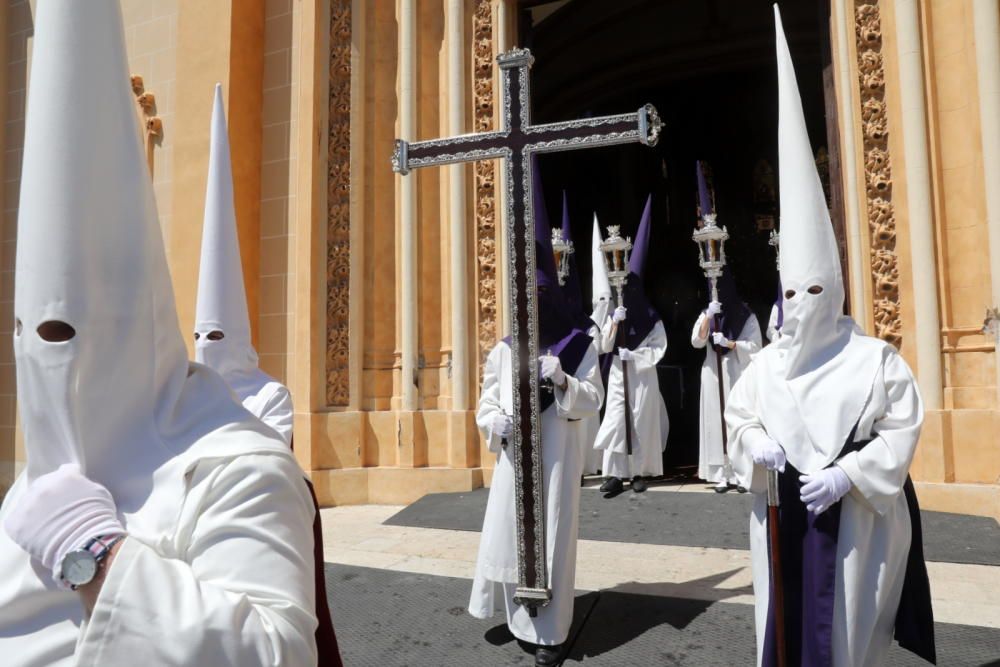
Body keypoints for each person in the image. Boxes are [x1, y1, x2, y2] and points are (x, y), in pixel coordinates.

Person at [0, 2, 320, 664]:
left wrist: (98, 556)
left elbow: (280, 651)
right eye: (28, 330)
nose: (46, 352)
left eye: (65, 330)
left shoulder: (237, 468)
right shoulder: (34, 485)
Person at [724, 8, 935, 666]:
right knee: (784, 633)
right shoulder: (765, 363)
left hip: (857, 530)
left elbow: (901, 429)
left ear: (837, 290)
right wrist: (751, 441)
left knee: (847, 634)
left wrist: (849, 473)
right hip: (781, 524)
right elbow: (739, 415)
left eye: (814, 291)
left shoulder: (876, 361)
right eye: (792, 293)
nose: (801, 305)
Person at [195, 84, 342, 664]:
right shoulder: (185, 386)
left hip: (261, 520)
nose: (208, 348)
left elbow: (267, 454)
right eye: (202, 337)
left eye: (217, 337)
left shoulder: (269, 393)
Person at [468, 164, 604, 667]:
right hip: (513, 460)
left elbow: (594, 398)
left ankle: (548, 631)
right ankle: (514, 617)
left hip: (556, 459)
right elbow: (485, 399)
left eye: (543, 294)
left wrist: (564, 380)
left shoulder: (578, 345)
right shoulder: (505, 350)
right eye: (529, 294)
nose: (535, 303)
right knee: (508, 530)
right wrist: (492, 422)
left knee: (549, 539)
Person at [594, 196, 669, 494]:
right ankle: (614, 473)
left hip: (641, 375)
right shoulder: (616, 312)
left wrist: (635, 356)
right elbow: (604, 345)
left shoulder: (651, 317)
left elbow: (659, 347)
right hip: (617, 371)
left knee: (640, 420)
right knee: (616, 416)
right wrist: (614, 321)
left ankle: (640, 472)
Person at [691, 267, 761, 492]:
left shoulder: (745, 315)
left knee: (736, 422)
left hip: (736, 373)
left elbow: (756, 347)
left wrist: (731, 344)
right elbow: (696, 341)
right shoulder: (708, 313)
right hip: (713, 373)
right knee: (715, 422)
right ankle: (721, 473)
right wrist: (709, 317)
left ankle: (741, 473)